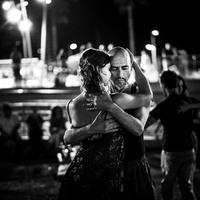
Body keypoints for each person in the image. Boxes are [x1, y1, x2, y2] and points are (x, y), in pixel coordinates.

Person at [58, 47, 156, 200]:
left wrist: (109, 108)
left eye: (125, 67)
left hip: (85, 169)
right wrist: (91, 128)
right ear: (102, 72)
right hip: (109, 173)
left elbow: (138, 129)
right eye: (112, 68)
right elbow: (68, 136)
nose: (119, 74)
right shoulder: (114, 99)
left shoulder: (73, 104)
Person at [145, 70, 197, 200]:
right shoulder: (187, 100)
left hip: (172, 152)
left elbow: (143, 125)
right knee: (187, 187)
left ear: (163, 84)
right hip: (189, 150)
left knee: (167, 185)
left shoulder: (163, 105)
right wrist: (191, 106)